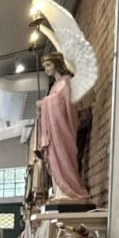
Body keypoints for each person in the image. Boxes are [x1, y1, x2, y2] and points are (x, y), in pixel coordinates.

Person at [38, 51, 90, 200]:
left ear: (57, 64)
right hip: (54, 131)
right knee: (56, 159)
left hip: (62, 129)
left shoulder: (66, 81)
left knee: (64, 157)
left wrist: (45, 103)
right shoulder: (55, 85)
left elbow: (63, 104)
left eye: (48, 65)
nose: (46, 68)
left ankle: (71, 190)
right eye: (44, 66)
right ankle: (62, 191)